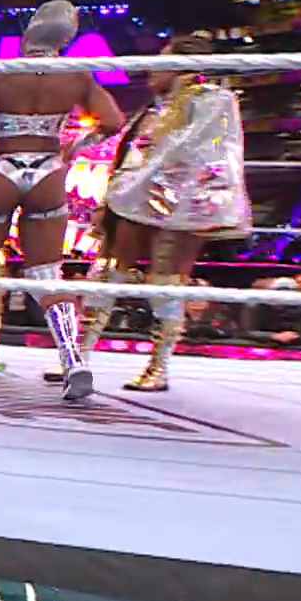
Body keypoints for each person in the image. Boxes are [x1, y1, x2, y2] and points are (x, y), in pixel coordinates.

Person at [0, 0, 125, 402]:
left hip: (3, 168)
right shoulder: (76, 74)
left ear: (29, 34)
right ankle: (73, 361)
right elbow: (113, 121)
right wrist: (77, 144)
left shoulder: (2, 71)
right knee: (47, 274)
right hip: (48, 172)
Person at [85, 33, 249, 393]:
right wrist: (115, 194)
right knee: (108, 269)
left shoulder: (215, 100)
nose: (151, 68)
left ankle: (158, 366)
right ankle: (77, 355)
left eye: (162, 60)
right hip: (137, 195)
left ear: (181, 66)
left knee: (166, 281)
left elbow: (200, 153)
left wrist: (143, 183)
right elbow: (132, 155)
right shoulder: (156, 108)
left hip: (184, 201)